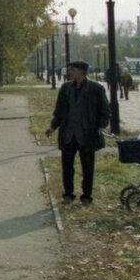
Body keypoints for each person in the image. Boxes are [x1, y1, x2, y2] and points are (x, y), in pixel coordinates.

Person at [45, 60, 110, 205]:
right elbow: (59, 111)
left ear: (82, 72)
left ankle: (87, 196)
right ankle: (68, 193)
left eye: (73, 70)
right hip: (68, 135)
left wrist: (101, 127)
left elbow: (105, 111)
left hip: (87, 135)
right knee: (67, 166)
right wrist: (53, 126)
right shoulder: (66, 88)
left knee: (88, 167)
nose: (70, 72)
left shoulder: (96, 89)